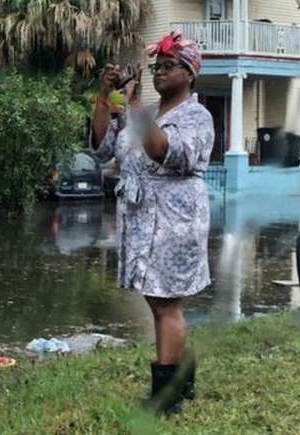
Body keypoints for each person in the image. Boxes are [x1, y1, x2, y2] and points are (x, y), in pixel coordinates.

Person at [90, 31, 213, 414]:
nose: (160, 72)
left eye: (169, 66)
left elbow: (167, 153)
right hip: (141, 220)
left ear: (190, 74)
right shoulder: (141, 114)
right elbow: (102, 147)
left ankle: (166, 399)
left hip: (175, 219)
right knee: (158, 302)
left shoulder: (196, 115)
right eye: (156, 67)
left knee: (165, 305)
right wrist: (102, 96)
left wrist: (137, 106)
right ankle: (182, 371)